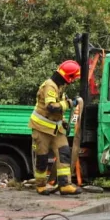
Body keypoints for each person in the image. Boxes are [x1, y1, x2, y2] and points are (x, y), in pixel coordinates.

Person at [29, 60, 83, 196]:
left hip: (56, 129)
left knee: (64, 154)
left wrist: (63, 121)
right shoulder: (50, 85)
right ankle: (41, 185)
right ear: (68, 77)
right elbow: (51, 107)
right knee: (42, 158)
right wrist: (69, 103)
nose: (72, 81)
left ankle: (65, 185)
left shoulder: (59, 87)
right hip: (41, 128)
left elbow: (59, 109)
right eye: (73, 78)